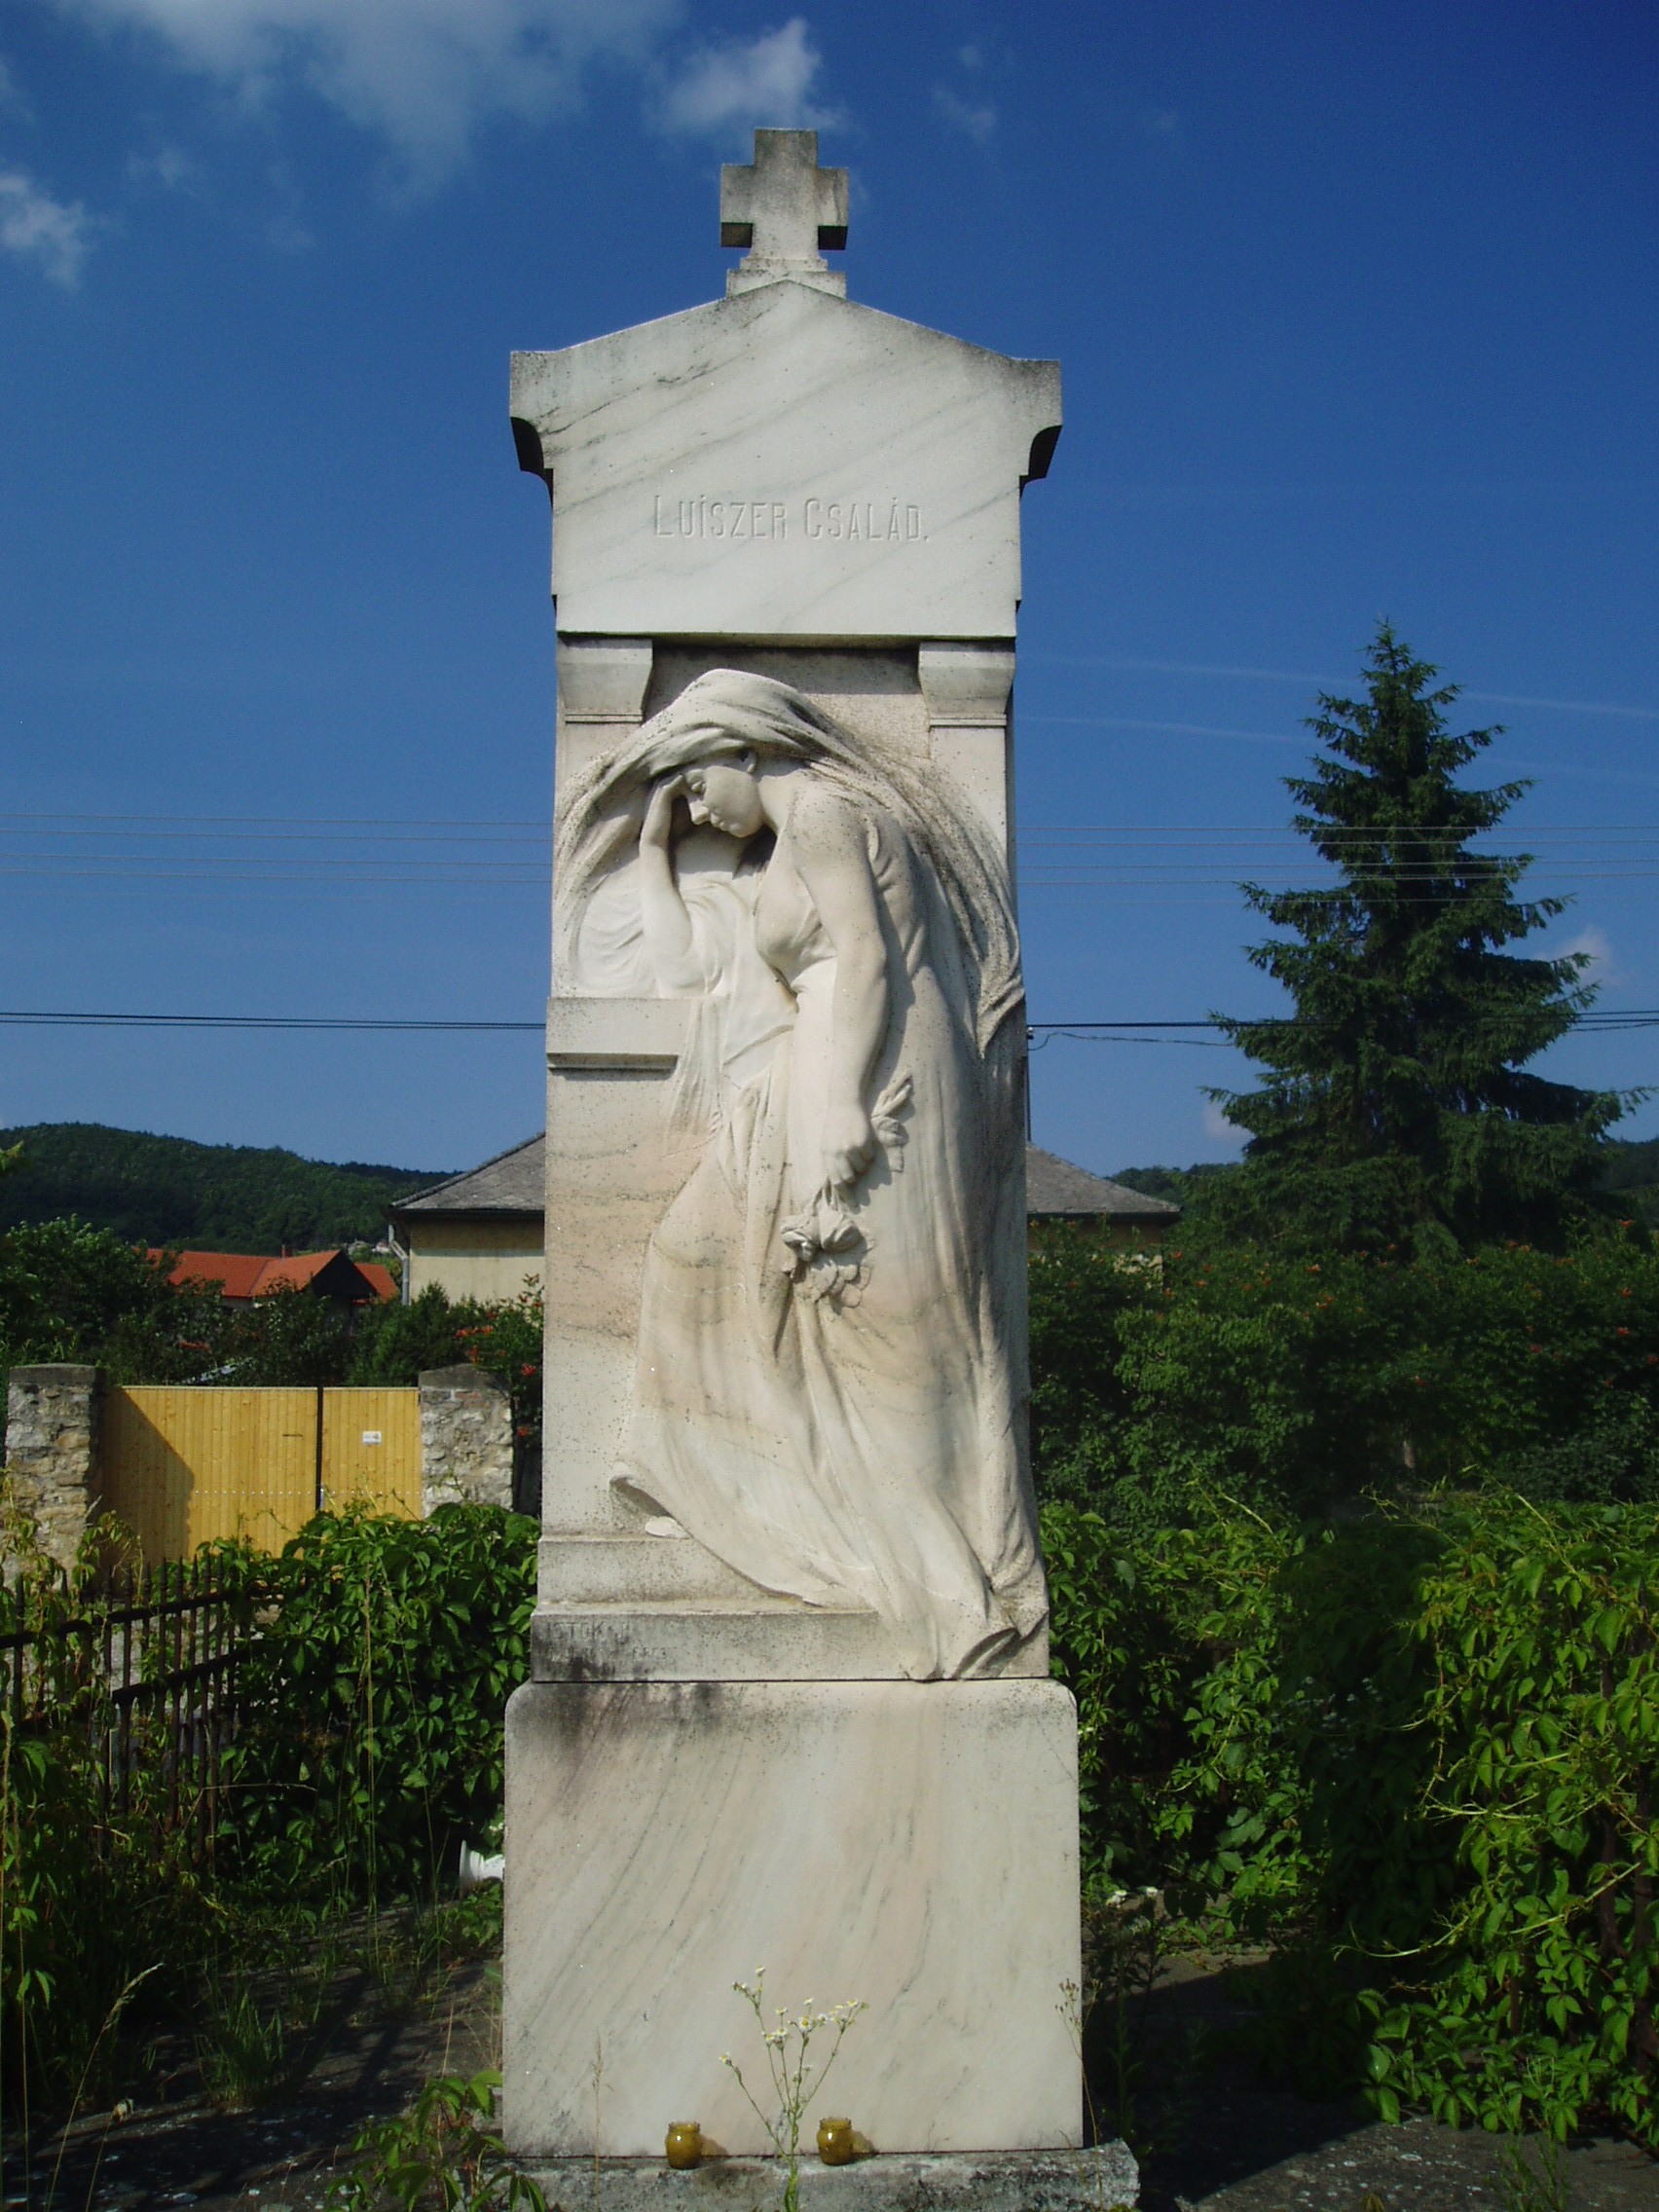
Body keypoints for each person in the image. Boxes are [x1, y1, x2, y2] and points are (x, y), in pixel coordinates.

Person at [555, 669, 1047, 1680]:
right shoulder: (789, 839)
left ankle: (943, 1577)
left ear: (746, 744)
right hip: (820, 1066)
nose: (696, 811)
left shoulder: (824, 811)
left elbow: (864, 959)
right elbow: (698, 970)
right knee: (701, 1252)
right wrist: (651, 850)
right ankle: (745, 1486)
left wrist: (842, 1107)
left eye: (698, 786)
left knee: (879, 1328)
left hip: (871, 1072)